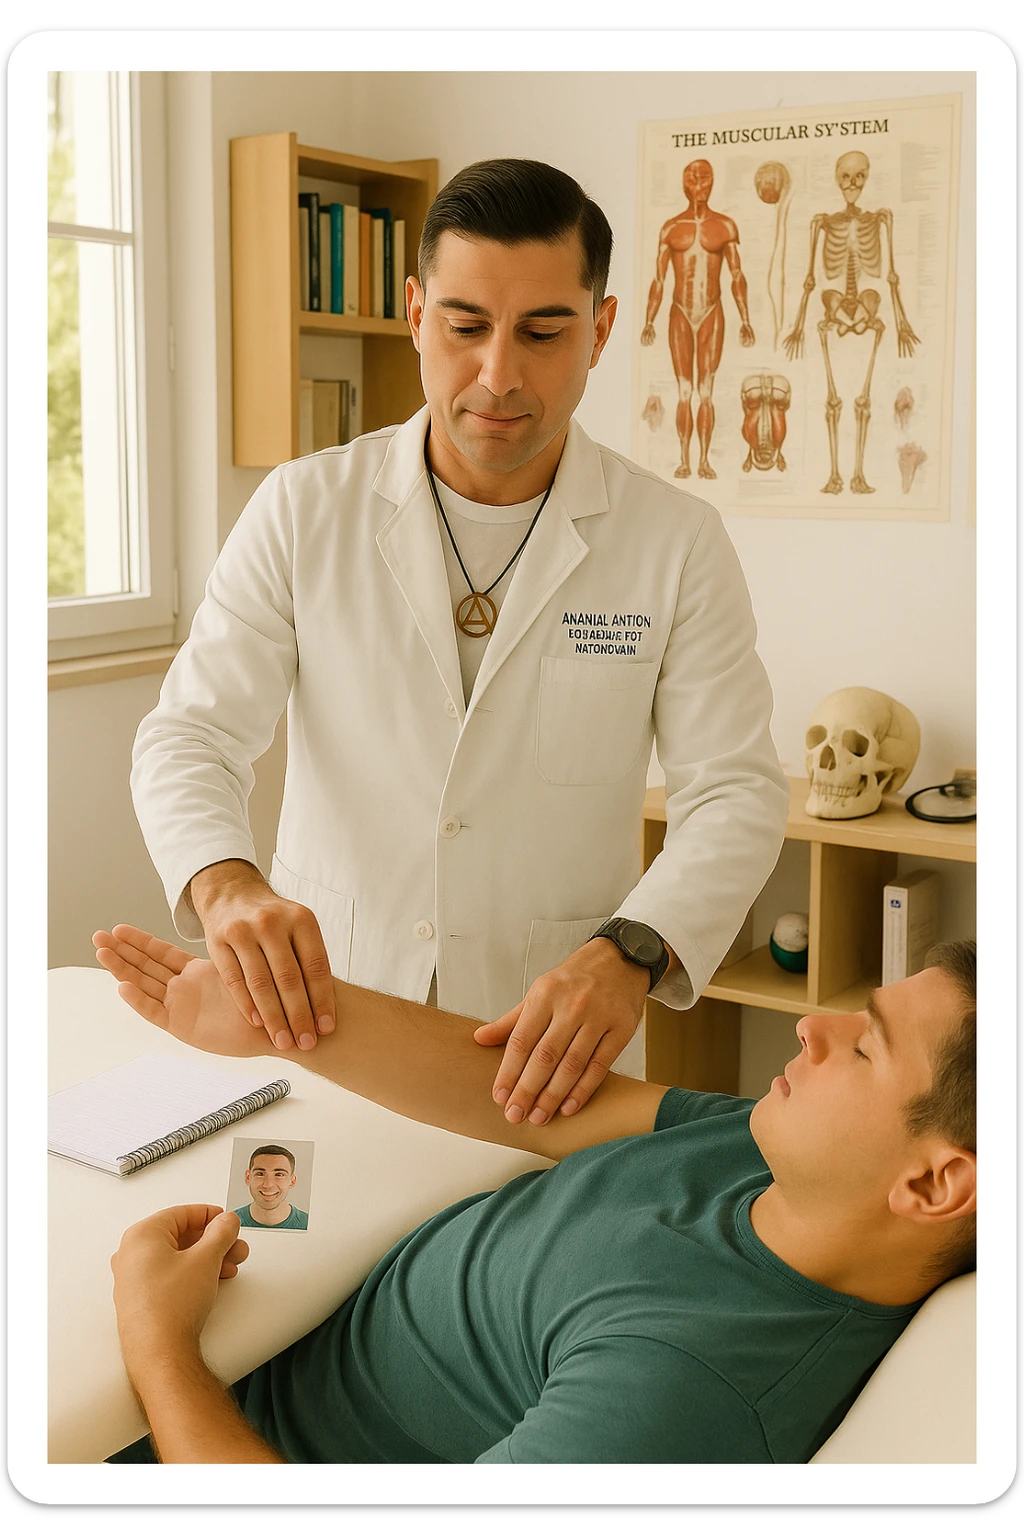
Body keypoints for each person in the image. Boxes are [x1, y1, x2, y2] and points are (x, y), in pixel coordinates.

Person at [130, 157, 790, 1134]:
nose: (498, 376)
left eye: (542, 332)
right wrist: (226, 886)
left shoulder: (673, 541)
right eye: (465, 326)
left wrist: (631, 952)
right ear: (414, 312)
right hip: (330, 1017)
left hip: (546, 1049)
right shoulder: (305, 509)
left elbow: (733, 790)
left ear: (601, 330)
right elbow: (190, 735)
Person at [95, 924, 976, 1465]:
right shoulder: (763, 1153)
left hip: (191, 1432)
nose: (811, 1027)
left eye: (865, 1048)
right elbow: (532, 1104)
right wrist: (280, 1024)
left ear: (934, 1183)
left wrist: (158, 1343)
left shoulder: (682, 1394)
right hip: (266, 1337)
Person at [640, 158, 755, 479]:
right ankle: (684, 461)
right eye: (693, 178)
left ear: (713, 182)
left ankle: (703, 460)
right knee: (684, 392)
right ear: (684, 184)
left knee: (706, 391)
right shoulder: (672, 228)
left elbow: (737, 276)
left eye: (705, 177)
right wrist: (649, 320)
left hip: (711, 313)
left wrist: (746, 319)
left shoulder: (725, 226)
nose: (700, 183)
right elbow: (659, 280)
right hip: (679, 313)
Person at [233, 1145, 308, 1230]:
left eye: (279, 1175)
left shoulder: (308, 1224)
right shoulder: (229, 1223)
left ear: (292, 1181)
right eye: (260, 1174)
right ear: (248, 1177)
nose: (268, 1185)